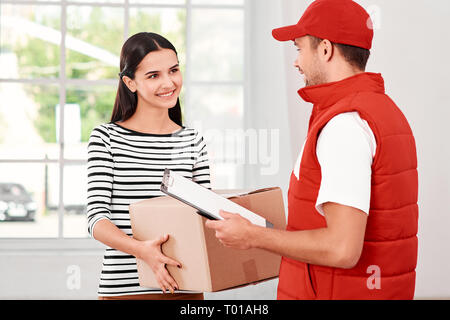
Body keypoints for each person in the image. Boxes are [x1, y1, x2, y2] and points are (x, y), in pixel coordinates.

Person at [205, 0, 418, 300]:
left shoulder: (344, 125)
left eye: (299, 48)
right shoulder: (382, 112)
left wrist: (253, 236)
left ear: (326, 49)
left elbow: (342, 249)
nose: (296, 61)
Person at [87, 32, 210, 300]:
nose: (169, 82)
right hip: (125, 291)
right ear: (130, 82)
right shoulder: (107, 138)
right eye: (153, 75)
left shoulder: (192, 141)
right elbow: (96, 219)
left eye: (174, 70)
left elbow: (205, 217)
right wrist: (142, 250)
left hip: (186, 288)